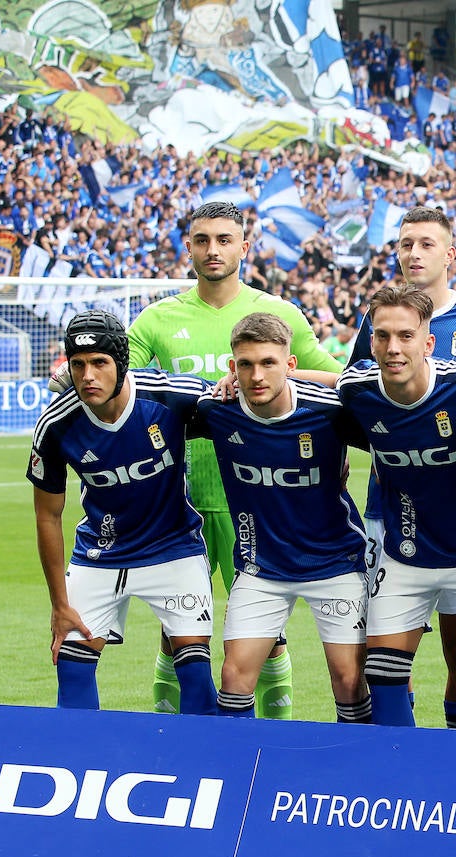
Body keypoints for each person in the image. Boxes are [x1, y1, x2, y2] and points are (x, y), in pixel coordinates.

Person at [126, 200, 343, 719]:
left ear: (244, 247)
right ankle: (175, 744)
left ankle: (269, 744)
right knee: (177, 631)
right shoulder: (158, 318)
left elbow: (339, 380)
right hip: (180, 501)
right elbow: (117, 379)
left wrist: (270, 377)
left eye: (224, 240)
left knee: (266, 634)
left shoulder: (279, 314)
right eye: (202, 240)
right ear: (188, 248)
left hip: (258, 496)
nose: (213, 250)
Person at [348, 206, 456, 731]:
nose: (413, 253)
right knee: (389, 649)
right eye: (406, 244)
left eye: (426, 244)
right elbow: (353, 397)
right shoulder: (377, 320)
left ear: (450, 254)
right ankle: (405, 751)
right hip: (389, 508)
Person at [29, 310, 217, 715]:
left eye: (99, 363)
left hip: (174, 548)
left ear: (122, 363)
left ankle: (202, 753)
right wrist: (59, 604)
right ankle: (81, 751)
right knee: (71, 666)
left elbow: (243, 404)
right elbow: (47, 516)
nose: (88, 376)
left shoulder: (169, 396)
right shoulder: (56, 425)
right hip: (100, 552)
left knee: (195, 671)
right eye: (78, 365)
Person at [192, 313, 371, 722]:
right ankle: (241, 759)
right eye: (245, 365)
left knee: (349, 680)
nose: (256, 375)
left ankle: (356, 757)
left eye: (268, 363)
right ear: (232, 367)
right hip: (261, 567)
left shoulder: (330, 411)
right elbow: (148, 394)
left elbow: (393, 427)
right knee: (234, 677)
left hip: (336, 562)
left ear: (290, 365)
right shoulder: (217, 409)